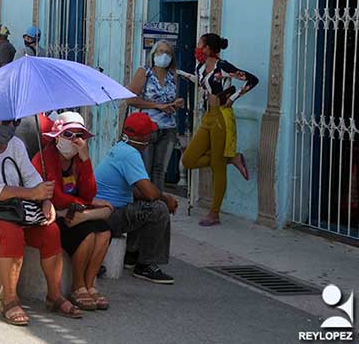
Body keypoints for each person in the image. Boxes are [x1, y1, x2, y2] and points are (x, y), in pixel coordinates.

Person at [0, 119, 83, 325]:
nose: (12, 127)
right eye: (6, 122)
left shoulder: (15, 144)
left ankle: (54, 296)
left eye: (16, 121)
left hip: (14, 210)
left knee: (51, 231)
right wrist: (32, 193)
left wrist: (45, 200)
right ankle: (10, 300)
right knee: (12, 233)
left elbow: (31, 176)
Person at [31, 111, 112, 310]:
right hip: (54, 213)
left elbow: (89, 191)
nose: (75, 140)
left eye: (79, 135)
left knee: (104, 231)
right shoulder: (44, 158)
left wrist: (86, 161)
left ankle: (89, 284)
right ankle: (77, 286)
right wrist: (84, 203)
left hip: (76, 212)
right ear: (57, 136)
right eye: (69, 135)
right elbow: (56, 196)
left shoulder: (78, 160)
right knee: (87, 235)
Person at [182, 33, 259, 227]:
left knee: (217, 166)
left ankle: (214, 214)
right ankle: (232, 158)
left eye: (200, 44)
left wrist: (232, 99)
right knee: (189, 159)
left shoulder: (222, 67)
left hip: (222, 117)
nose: (197, 48)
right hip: (209, 116)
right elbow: (201, 83)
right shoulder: (200, 67)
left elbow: (252, 80)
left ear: (208, 48)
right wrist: (180, 73)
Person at [95, 113, 178, 284]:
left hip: (108, 209)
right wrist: (166, 198)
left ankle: (132, 253)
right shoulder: (130, 154)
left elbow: (136, 191)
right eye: (149, 134)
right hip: (110, 213)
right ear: (143, 137)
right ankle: (146, 264)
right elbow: (150, 193)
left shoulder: (120, 148)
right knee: (158, 209)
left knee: (142, 204)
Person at [126, 39, 185, 190]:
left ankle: (157, 204)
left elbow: (170, 100)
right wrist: (157, 105)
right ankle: (143, 203)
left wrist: (176, 104)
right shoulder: (144, 72)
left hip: (168, 128)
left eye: (168, 53)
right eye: (161, 51)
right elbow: (131, 99)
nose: (164, 55)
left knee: (160, 171)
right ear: (153, 54)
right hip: (147, 127)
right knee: (145, 169)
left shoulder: (173, 76)